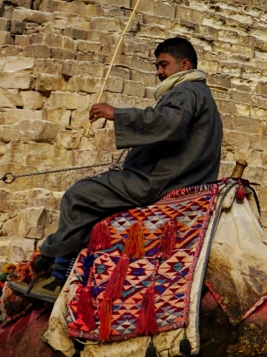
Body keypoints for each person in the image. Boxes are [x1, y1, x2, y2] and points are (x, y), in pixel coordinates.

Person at [13, 36, 224, 303]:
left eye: (163, 64)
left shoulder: (187, 92)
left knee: (81, 194)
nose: (158, 72)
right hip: (180, 177)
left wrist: (118, 114)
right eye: (157, 66)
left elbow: (171, 123)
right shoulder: (200, 94)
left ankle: (57, 277)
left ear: (184, 64)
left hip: (163, 181)